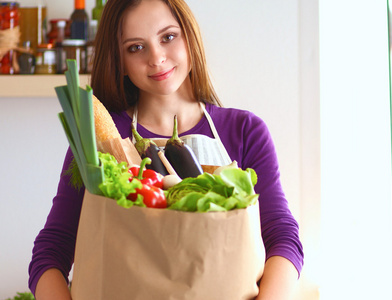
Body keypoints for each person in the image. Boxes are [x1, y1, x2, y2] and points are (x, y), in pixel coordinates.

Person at [28, 0, 304, 299]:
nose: (156, 58)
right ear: (118, 59)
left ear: (189, 35)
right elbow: (52, 249)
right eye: (136, 47)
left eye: (168, 37)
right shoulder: (98, 142)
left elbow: (281, 237)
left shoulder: (244, 131)